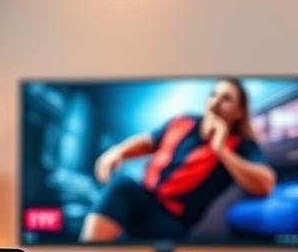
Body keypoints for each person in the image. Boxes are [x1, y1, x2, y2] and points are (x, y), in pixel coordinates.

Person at [80, 78, 276, 242]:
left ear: (240, 111)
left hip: (172, 221)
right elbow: (149, 141)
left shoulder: (242, 146)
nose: (216, 102)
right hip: (144, 198)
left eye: (226, 99)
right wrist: (118, 152)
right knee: (121, 185)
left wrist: (221, 150)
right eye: (213, 95)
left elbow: (265, 185)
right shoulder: (184, 121)